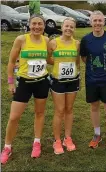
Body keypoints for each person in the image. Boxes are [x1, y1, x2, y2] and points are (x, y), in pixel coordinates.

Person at [1, 14, 50, 164]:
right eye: (34, 24)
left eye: (40, 24)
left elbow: (48, 59)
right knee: (14, 117)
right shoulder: (21, 40)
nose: (37, 27)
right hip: (24, 83)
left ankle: (37, 142)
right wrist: (10, 83)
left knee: (39, 113)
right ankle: (7, 147)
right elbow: (10, 62)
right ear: (29, 25)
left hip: (42, 82)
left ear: (44, 26)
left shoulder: (46, 40)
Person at [80, 10, 106, 152]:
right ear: (91, 22)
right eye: (94, 20)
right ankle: (97, 134)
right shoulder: (85, 40)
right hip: (91, 80)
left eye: (100, 20)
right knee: (94, 107)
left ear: (104, 22)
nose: (97, 23)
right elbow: (84, 58)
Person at [48, 17, 80, 154]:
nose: (68, 29)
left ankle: (68, 137)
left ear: (74, 29)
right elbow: (47, 58)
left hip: (72, 80)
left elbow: (77, 61)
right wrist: (56, 64)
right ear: (62, 27)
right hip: (58, 81)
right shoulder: (53, 43)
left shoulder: (77, 44)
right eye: (66, 26)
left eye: (71, 27)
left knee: (69, 109)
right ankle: (57, 140)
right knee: (59, 110)